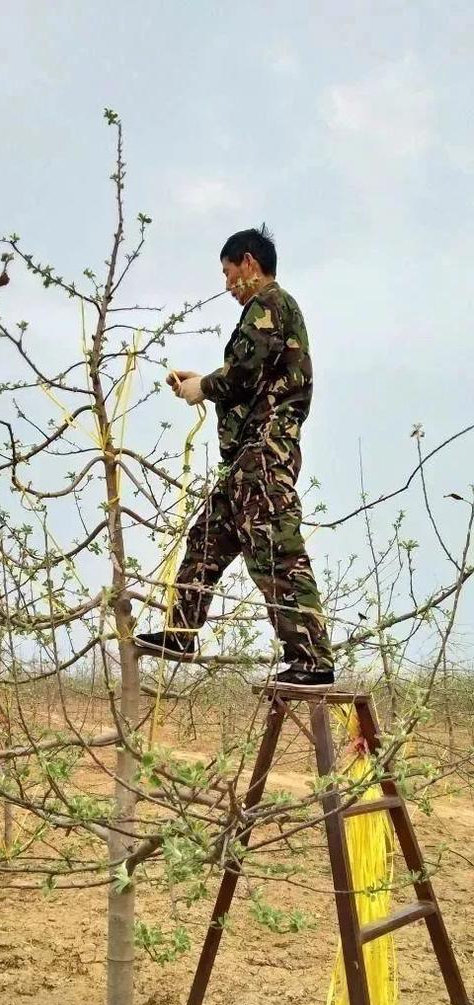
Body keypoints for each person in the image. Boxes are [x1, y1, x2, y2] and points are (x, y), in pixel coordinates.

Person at [134, 225, 335, 688]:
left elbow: (243, 374)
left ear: (249, 262)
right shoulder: (268, 312)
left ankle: (312, 661)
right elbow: (250, 377)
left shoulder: (269, 304)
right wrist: (204, 383)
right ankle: (182, 631)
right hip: (246, 459)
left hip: (264, 456)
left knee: (276, 553)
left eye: (228, 274)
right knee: (205, 539)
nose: (227, 286)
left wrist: (201, 387)